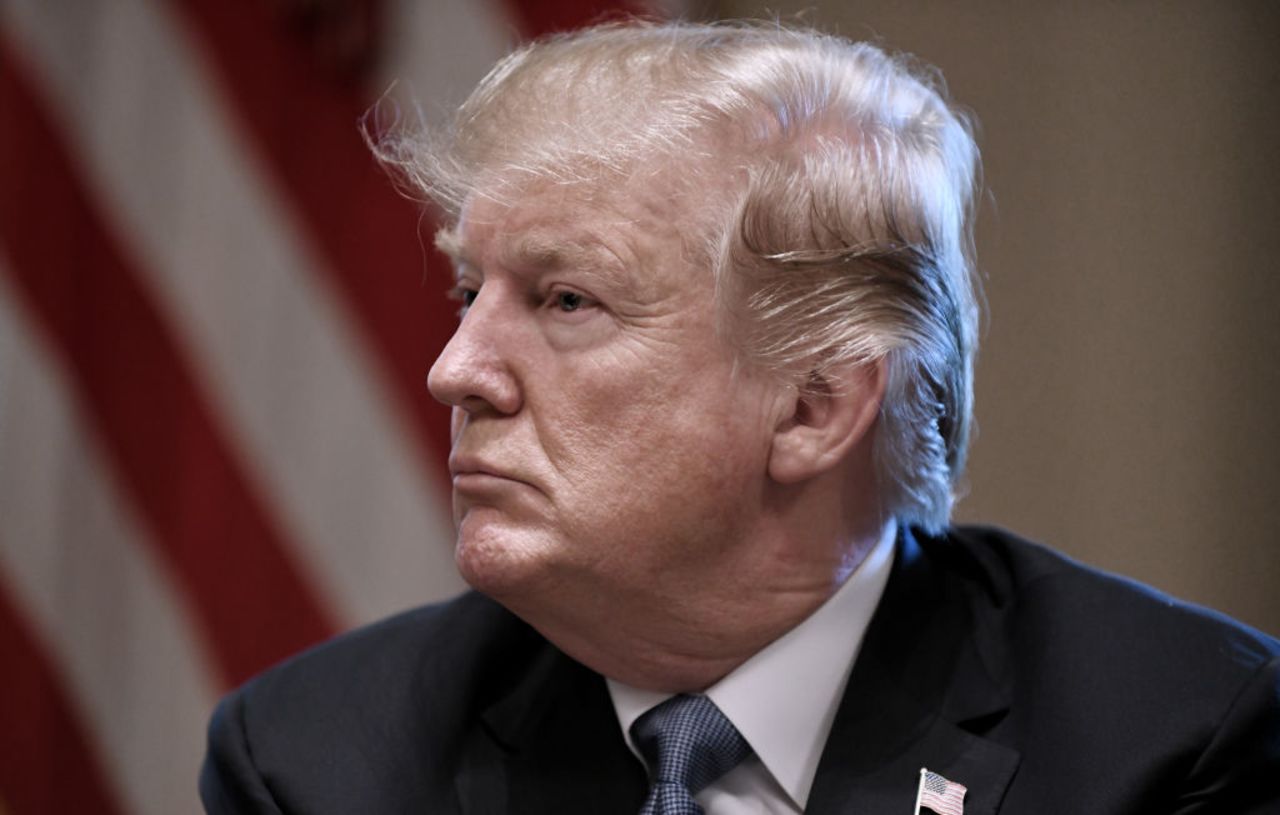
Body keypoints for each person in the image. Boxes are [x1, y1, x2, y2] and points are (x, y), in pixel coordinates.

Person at [200, 21, 1279, 814]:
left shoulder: (1169, 742)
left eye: (566, 300)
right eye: (466, 294)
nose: (454, 371)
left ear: (813, 404)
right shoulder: (315, 760)